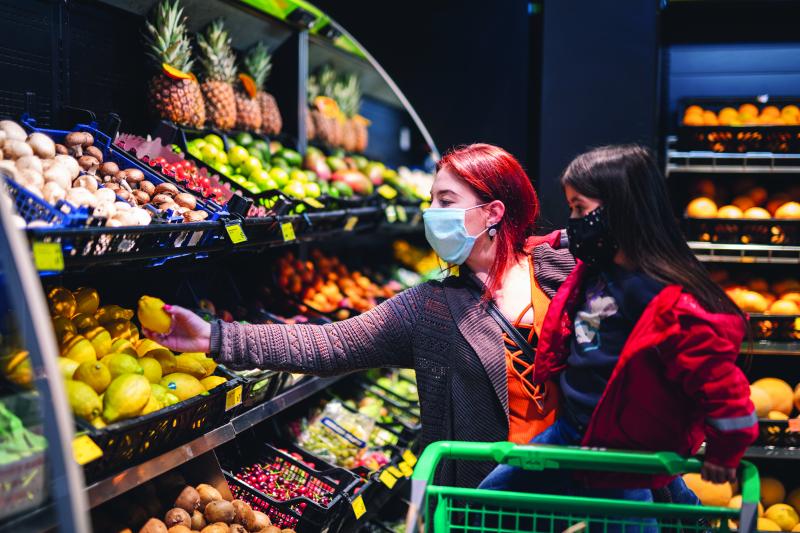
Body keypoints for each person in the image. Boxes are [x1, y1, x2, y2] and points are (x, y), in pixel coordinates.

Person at [144, 143, 575, 488]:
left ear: (493, 212)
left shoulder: (561, 268)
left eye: (446, 201)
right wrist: (213, 337)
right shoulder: (431, 309)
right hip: (489, 500)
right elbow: (331, 344)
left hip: (574, 485)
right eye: (431, 201)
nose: (432, 215)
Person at [479, 145, 757, 519]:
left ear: (621, 211)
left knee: (625, 518)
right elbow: (565, 237)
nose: (573, 220)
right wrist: (529, 245)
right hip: (571, 431)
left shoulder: (668, 302)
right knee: (486, 503)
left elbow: (721, 386)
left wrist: (726, 452)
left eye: (580, 208)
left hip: (622, 455)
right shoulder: (600, 265)